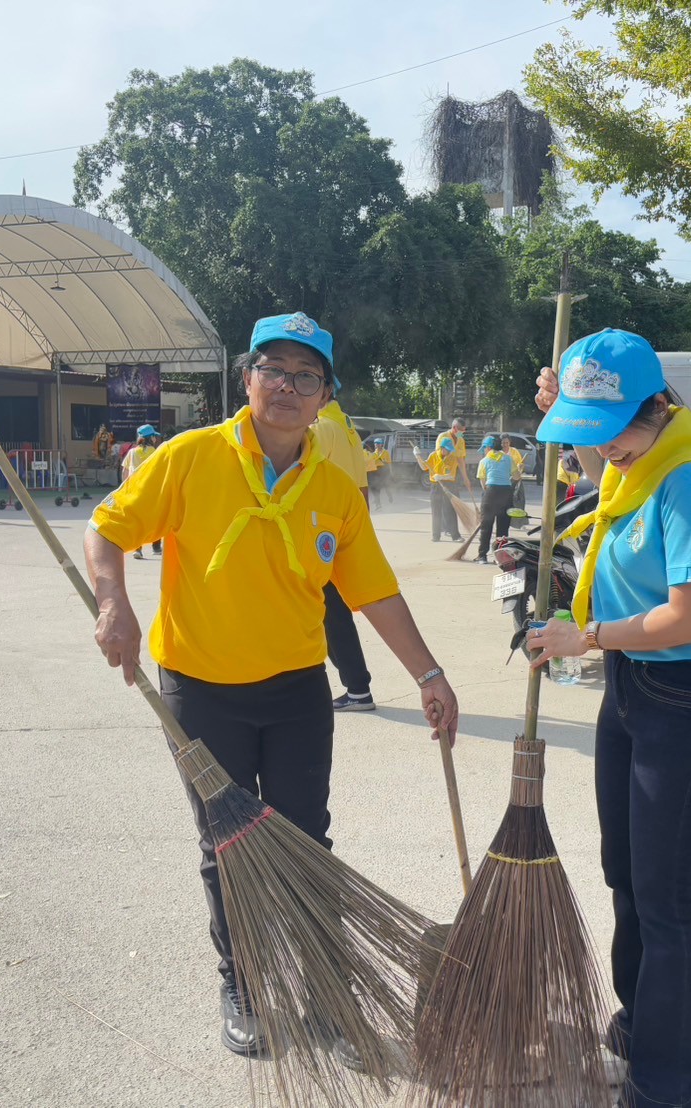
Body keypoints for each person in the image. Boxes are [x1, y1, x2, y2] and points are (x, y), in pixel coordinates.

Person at [84, 310, 459, 1065]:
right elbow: (108, 527)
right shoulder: (190, 457)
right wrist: (113, 601)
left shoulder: (333, 484)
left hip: (294, 690)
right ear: (247, 378)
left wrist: (428, 671)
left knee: (306, 839)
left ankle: (325, 987)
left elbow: (374, 593)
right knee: (228, 843)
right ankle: (244, 986)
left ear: (326, 395)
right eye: (273, 370)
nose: (287, 386)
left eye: (305, 376)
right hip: (197, 686)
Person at [527, 328, 691, 1108]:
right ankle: (642, 1020)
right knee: (625, 876)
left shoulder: (687, 482)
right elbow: (608, 475)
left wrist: (581, 637)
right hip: (630, 686)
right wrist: (577, 424)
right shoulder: (640, 465)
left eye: (608, 431)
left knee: (663, 895)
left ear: (655, 407)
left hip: (681, 698)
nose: (601, 452)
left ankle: (666, 1081)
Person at [312, 399, 378, 713]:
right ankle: (355, 685)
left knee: (332, 613)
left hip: (321, 531)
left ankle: (357, 687)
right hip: (340, 529)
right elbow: (364, 484)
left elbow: (297, 474)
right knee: (331, 611)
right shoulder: (348, 428)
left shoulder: (322, 428)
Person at [122, 425, 163, 559]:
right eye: (154, 436)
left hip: (135, 491)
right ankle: (156, 547)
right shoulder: (156, 452)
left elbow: (125, 472)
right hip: (151, 490)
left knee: (137, 521)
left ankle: (137, 549)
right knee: (155, 519)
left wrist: (124, 488)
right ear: (151, 438)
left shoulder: (131, 452)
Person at [474, 435, 515, 565]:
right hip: (506, 493)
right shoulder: (508, 458)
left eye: (484, 448)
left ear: (489, 448)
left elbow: (483, 482)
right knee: (503, 527)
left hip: (490, 492)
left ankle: (482, 557)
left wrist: (489, 493)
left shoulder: (484, 461)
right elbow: (517, 476)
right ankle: (500, 558)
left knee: (486, 526)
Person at [417, 437, 462, 542]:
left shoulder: (452, 457)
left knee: (450, 510)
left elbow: (452, 476)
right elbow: (424, 467)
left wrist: (441, 477)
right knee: (436, 511)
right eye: (447, 449)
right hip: (435, 486)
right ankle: (436, 536)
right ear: (441, 448)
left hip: (449, 485)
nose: (449, 451)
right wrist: (417, 456)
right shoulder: (433, 456)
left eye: (450, 450)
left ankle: (455, 536)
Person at [366, 438, 393, 505]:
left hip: (384, 470)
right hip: (376, 470)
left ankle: (390, 496)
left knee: (387, 485)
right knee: (376, 486)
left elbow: (389, 463)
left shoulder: (386, 452)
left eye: (378, 443)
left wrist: (391, 471)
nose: (376, 445)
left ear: (381, 444)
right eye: (375, 443)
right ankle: (377, 501)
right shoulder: (373, 454)